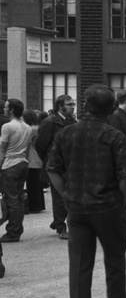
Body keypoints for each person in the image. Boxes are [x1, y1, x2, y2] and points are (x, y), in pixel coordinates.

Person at [46, 85, 126, 298]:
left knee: (79, 264)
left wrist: (67, 195)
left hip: (77, 208)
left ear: (85, 106)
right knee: (115, 260)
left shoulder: (66, 134)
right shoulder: (114, 136)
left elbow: (53, 168)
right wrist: (122, 200)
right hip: (108, 206)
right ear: (110, 108)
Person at [35, 94, 76, 239]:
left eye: (73, 104)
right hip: (56, 165)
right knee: (59, 197)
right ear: (60, 106)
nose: (73, 106)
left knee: (68, 195)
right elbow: (40, 145)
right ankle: (60, 227)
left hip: (69, 165)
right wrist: (49, 160)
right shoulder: (49, 122)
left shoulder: (72, 120)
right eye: (69, 104)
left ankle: (58, 221)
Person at [0, 99, 33, 242]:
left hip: (9, 164)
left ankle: (13, 231)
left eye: (7, 107)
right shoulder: (27, 127)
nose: (4, 109)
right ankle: (17, 229)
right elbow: (28, 148)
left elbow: (2, 150)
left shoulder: (7, 127)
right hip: (22, 163)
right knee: (19, 198)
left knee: (11, 199)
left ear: (12, 110)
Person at [23, 110, 45, 215]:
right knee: (38, 184)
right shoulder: (39, 128)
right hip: (39, 157)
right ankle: (39, 204)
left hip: (31, 158)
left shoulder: (29, 129)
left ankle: (34, 205)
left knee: (32, 184)